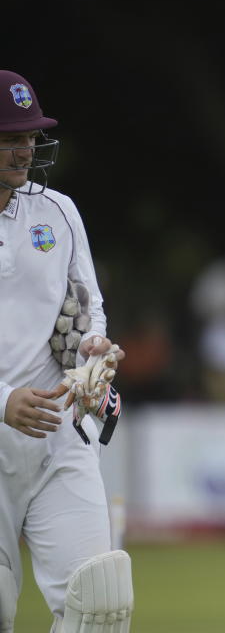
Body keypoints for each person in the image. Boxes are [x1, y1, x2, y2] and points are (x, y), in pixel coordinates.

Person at [0, 70, 133, 632]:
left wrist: (93, 353)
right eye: (12, 136)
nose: (27, 148)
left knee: (99, 603)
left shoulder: (56, 211)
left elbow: (87, 307)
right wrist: (3, 399)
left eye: (32, 135)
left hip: (60, 432)